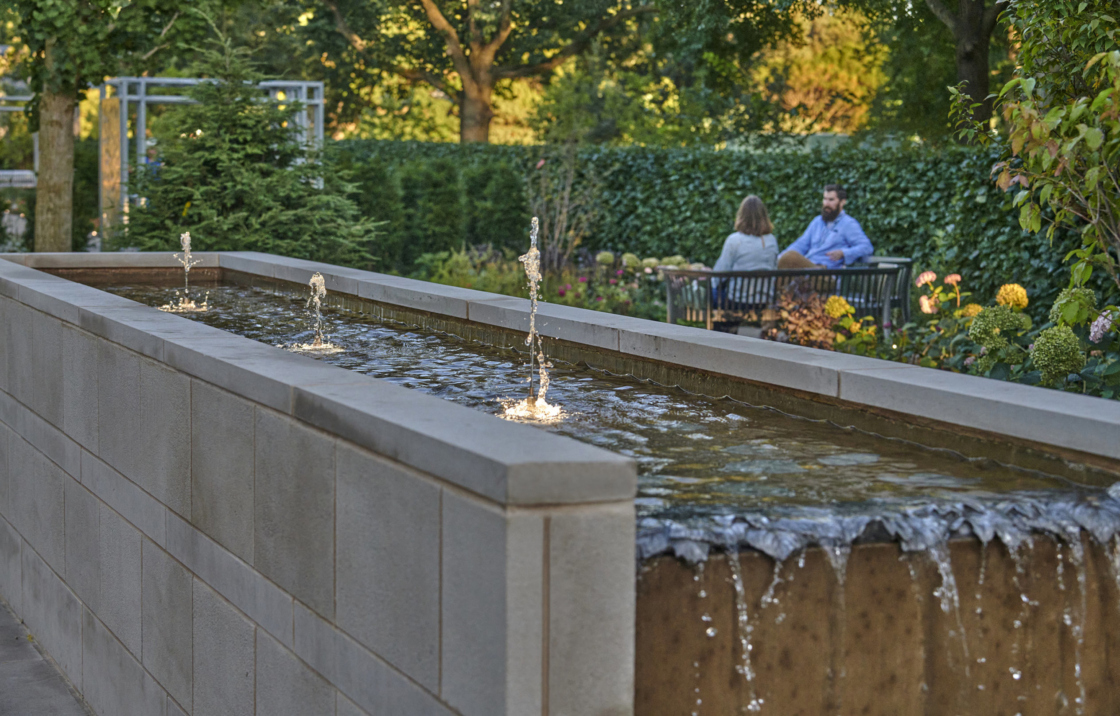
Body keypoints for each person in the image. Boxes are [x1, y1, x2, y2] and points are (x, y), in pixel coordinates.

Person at [778, 185, 873, 269]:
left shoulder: (848, 224)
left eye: (831, 200)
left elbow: (866, 247)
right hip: (809, 268)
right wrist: (780, 258)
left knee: (790, 258)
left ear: (842, 202)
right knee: (786, 259)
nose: (826, 203)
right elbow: (800, 244)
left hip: (827, 273)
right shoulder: (817, 222)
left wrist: (843, 253)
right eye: (825, 199)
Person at [713, 195, 779, 274]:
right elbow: (774, 267)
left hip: (738, 286)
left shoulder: (734, 240)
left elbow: (720, 271)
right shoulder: (771, 240)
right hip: (767, 286)